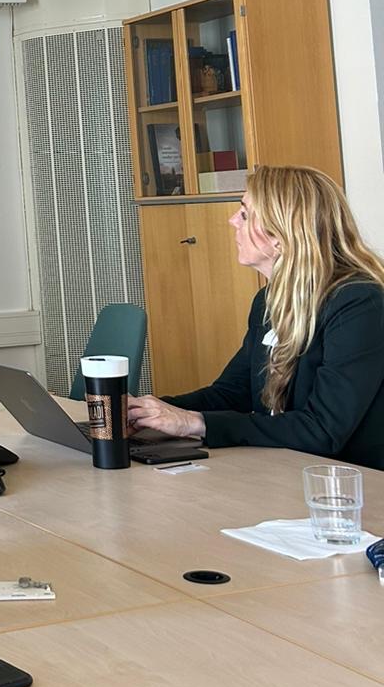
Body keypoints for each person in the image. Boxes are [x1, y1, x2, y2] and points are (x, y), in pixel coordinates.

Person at [128, 165, 384, 467]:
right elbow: (232, 393)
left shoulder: (359, 304)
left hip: (351, 483)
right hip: (288, 470)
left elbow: (323, 430)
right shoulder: (268, 300)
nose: (232, 220)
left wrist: (195, 423)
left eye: (245, 214)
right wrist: (147, 412)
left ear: (280, 235)